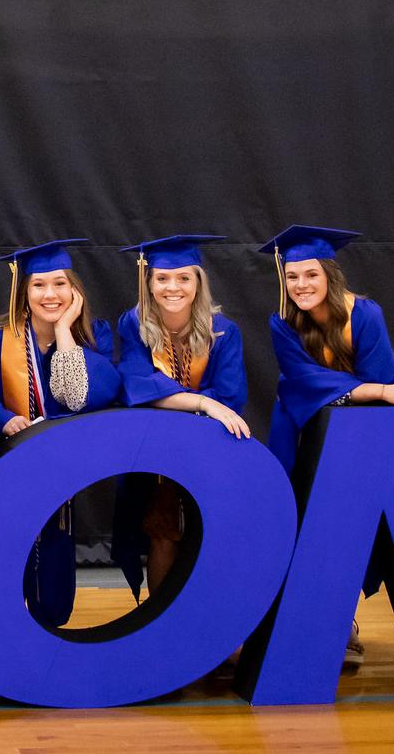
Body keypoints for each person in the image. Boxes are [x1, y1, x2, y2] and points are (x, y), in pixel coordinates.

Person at [259, 224, 394, 667]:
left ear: (330, 273)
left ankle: (341, 623)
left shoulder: (365, 315)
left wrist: (374, 392)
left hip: (357, 434)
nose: (301, 285)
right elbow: (303, 381)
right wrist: (374, 391)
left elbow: (382, 375)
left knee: (348, 522)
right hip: (297, 430)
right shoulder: (283, 322)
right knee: (300, 519)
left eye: (310, 275)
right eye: (292, 277)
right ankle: (297, 622)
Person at [0, 239, 121, 628]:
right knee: (6, 551)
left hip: (60, 472)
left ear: (75, 290)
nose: (50, 294)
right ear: (22, 292)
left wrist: (64, 331)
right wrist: (0, 417)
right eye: (39, 285)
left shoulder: (95, 336)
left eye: (60, 284)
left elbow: (83, 398)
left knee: (55, 559)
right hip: (4, 466)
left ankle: (49, 630)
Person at [111, 234, 249, 608]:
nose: (173, 287)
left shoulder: (223, 331)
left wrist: (202, 405)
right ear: (149, 283)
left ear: (198, 282)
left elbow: (231, 397)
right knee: (162, 531)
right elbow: (138, 386)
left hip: (209, 450)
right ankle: (160, 623)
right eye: (162, 278)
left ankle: (214, 630)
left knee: (213, 536)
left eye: (184, 278)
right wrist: (204, 403)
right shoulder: (134, 324)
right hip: (157, 455)